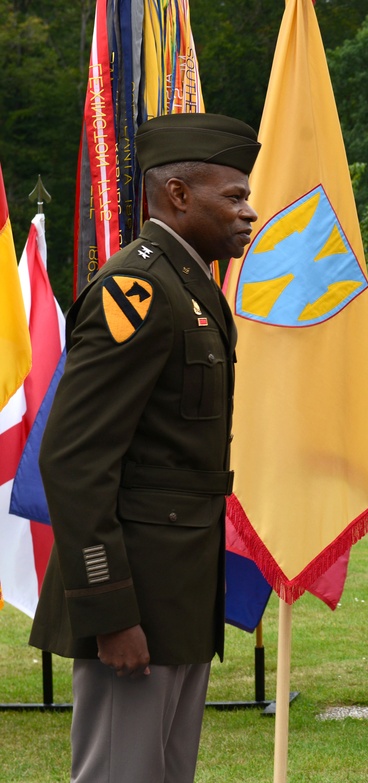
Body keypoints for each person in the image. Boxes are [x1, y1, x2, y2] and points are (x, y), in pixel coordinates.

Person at [29, 112, 260, 783]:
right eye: (235, 197)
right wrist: (110, 610)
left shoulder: (189, 288)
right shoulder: (139, 290)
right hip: (134, 601)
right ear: (180, 196)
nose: (250, 213)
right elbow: (73, 459)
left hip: (178, 591)